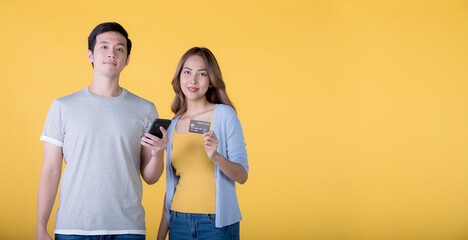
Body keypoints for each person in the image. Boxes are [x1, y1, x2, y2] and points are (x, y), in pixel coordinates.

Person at [37, 22, 167, 240]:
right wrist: (41, 226)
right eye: (104, 47)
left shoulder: (145, 109)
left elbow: (150, 177)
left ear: (126, 60)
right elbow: (50, 170)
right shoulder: (62, 107)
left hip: (128, 229)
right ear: (90, 55)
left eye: (120, 49)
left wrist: (158, 153)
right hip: (73, 228)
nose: (112, 54)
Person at [157, 47, 249, 240]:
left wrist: (216, 156)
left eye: (202, 74)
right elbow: (171, 186)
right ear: (179, 76)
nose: (193, 80)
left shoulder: (224, 115)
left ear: (211, 81)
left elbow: (242, 175)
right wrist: (160, 235)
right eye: (187, 72)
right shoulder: (173, 125)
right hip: (177, 221)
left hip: (216, 224)